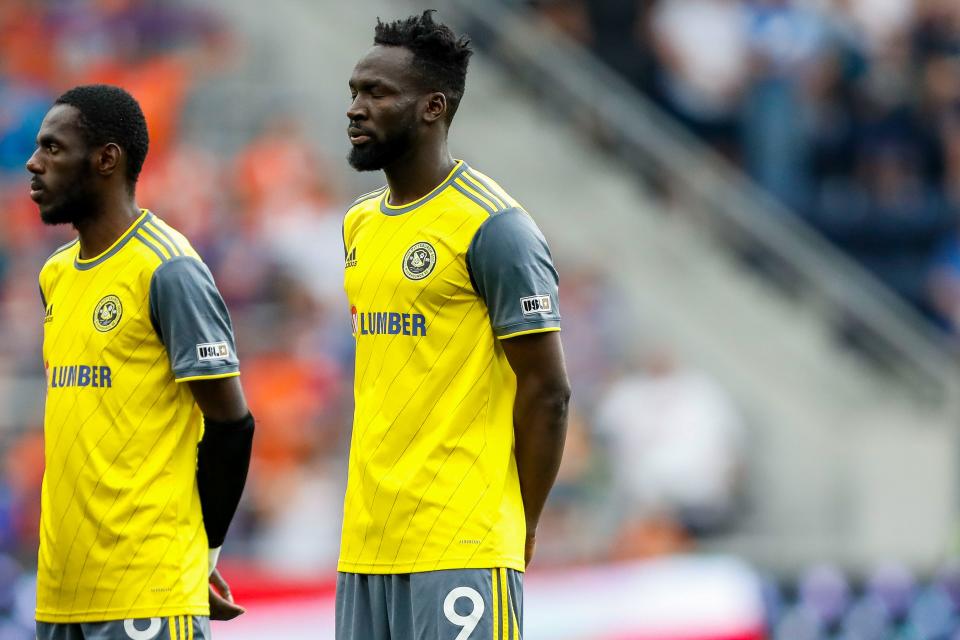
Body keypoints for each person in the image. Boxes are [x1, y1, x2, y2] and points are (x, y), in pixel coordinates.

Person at [339, 11, 571, 639]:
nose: (356, 108)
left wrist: (523, 521)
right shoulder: (360, 222)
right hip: (366, 541)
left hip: (459, 539)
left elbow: (547, 391)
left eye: (377, 93)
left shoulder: (495, 228)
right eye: (355, 92)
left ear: (432, 107)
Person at [27, 84, 254, 640]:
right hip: (62, 593)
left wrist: (203, 555)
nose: (34, 164)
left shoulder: (167, 269)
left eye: (53, 148)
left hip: (147, 589)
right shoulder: (55, 275)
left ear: (107, 159)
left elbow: (232, 423)